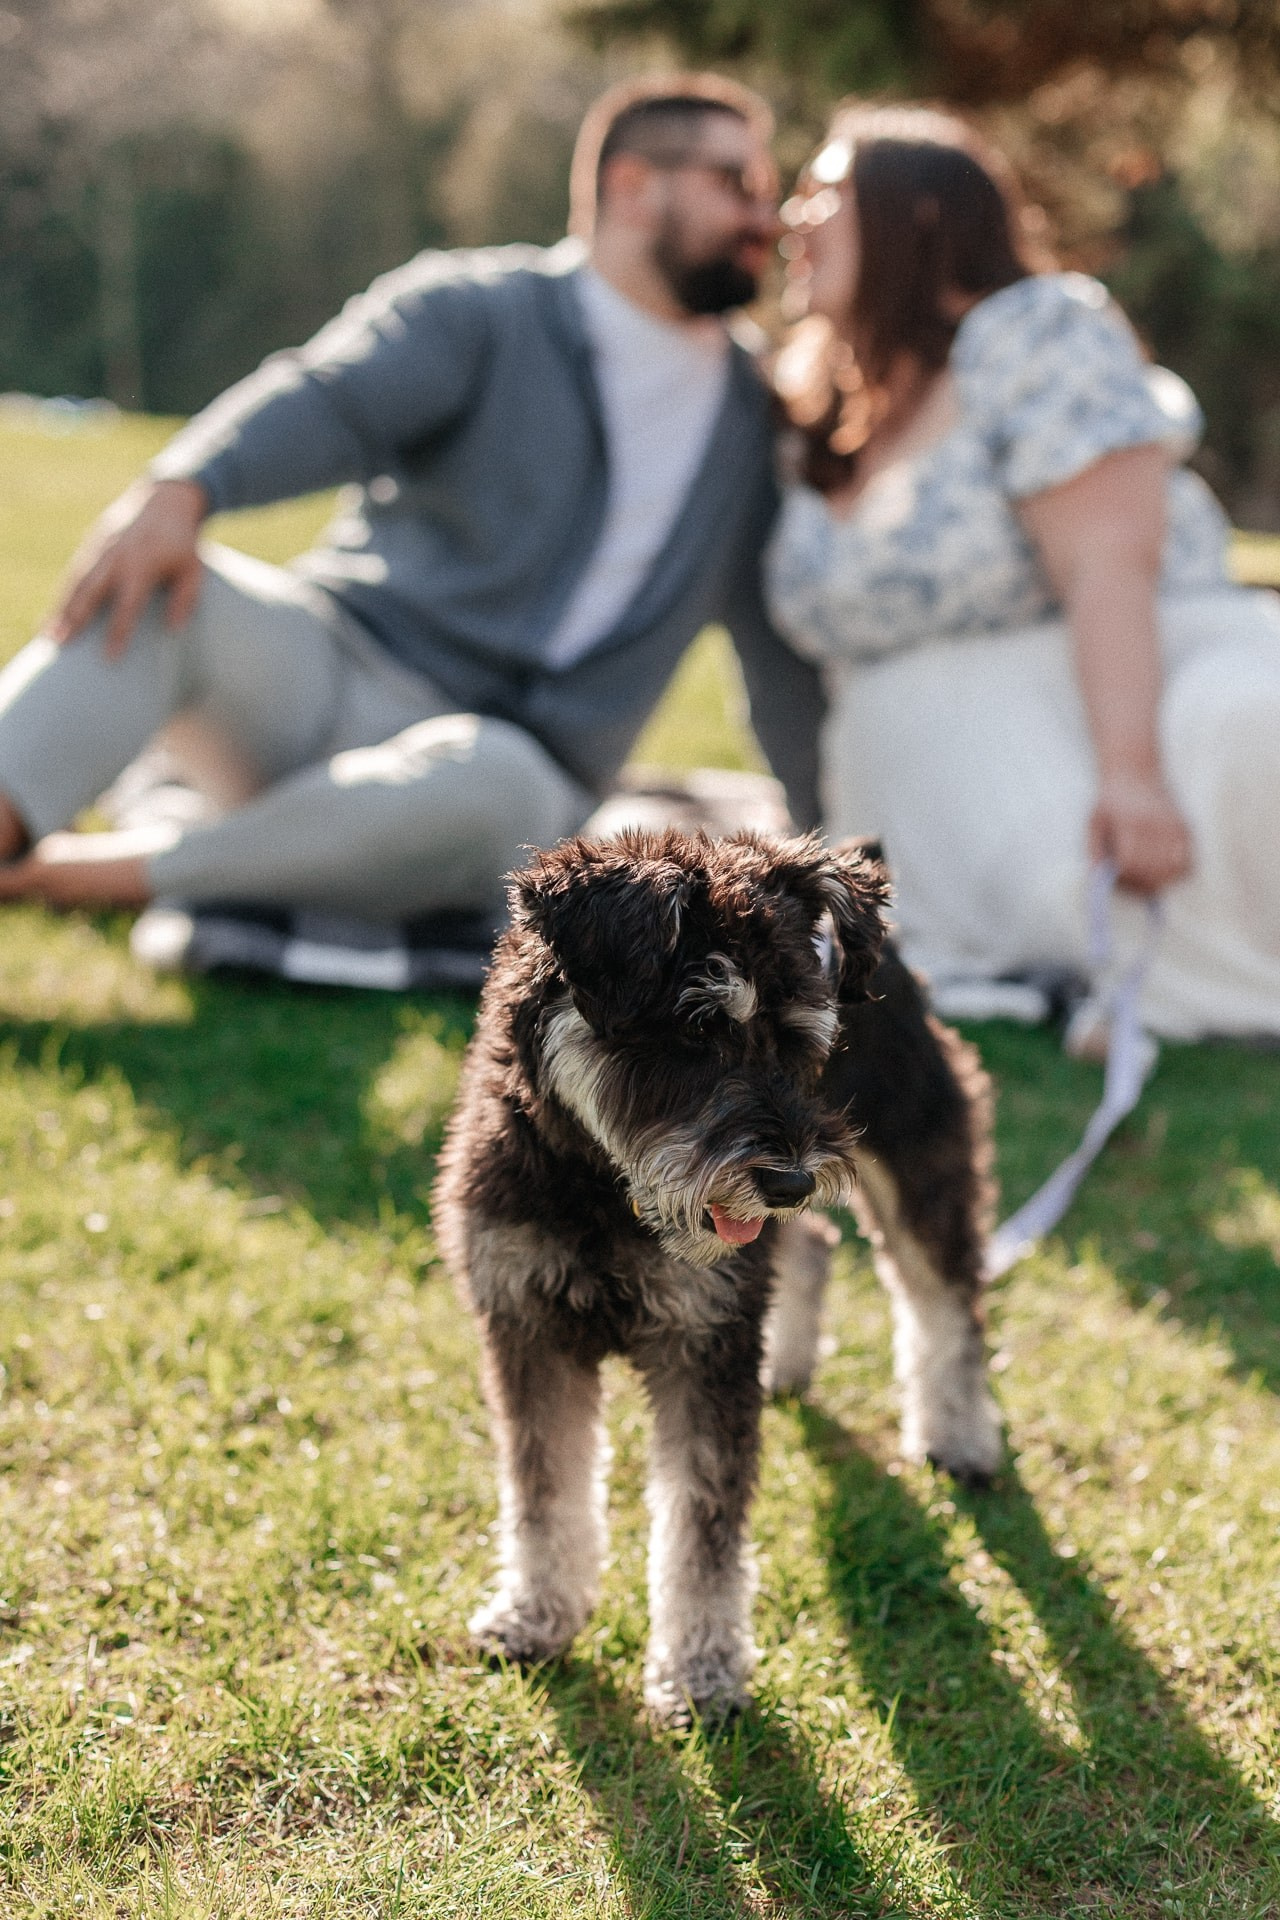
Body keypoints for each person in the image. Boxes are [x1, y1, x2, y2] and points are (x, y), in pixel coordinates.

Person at [0, 76, 823, 925]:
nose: (767, 218)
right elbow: (328, 400)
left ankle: (85, 876)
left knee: (495, 788)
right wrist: (180, 490)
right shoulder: (480, 312)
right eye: (737, 185)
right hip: (332, 671)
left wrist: (831, 841)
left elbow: (778, 654)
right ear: (633, 187)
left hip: (511, 776)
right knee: (176, 589)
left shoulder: (756, 420)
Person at [765, 103, 1280, 1042]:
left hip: (1141, 712)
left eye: (824, 191)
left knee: (1241, 752)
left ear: (918, 214)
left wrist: (1133, 776)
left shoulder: (1033, 331)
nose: (794, 220)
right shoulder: (820, 414)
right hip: (934, 826)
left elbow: (1108, 563)